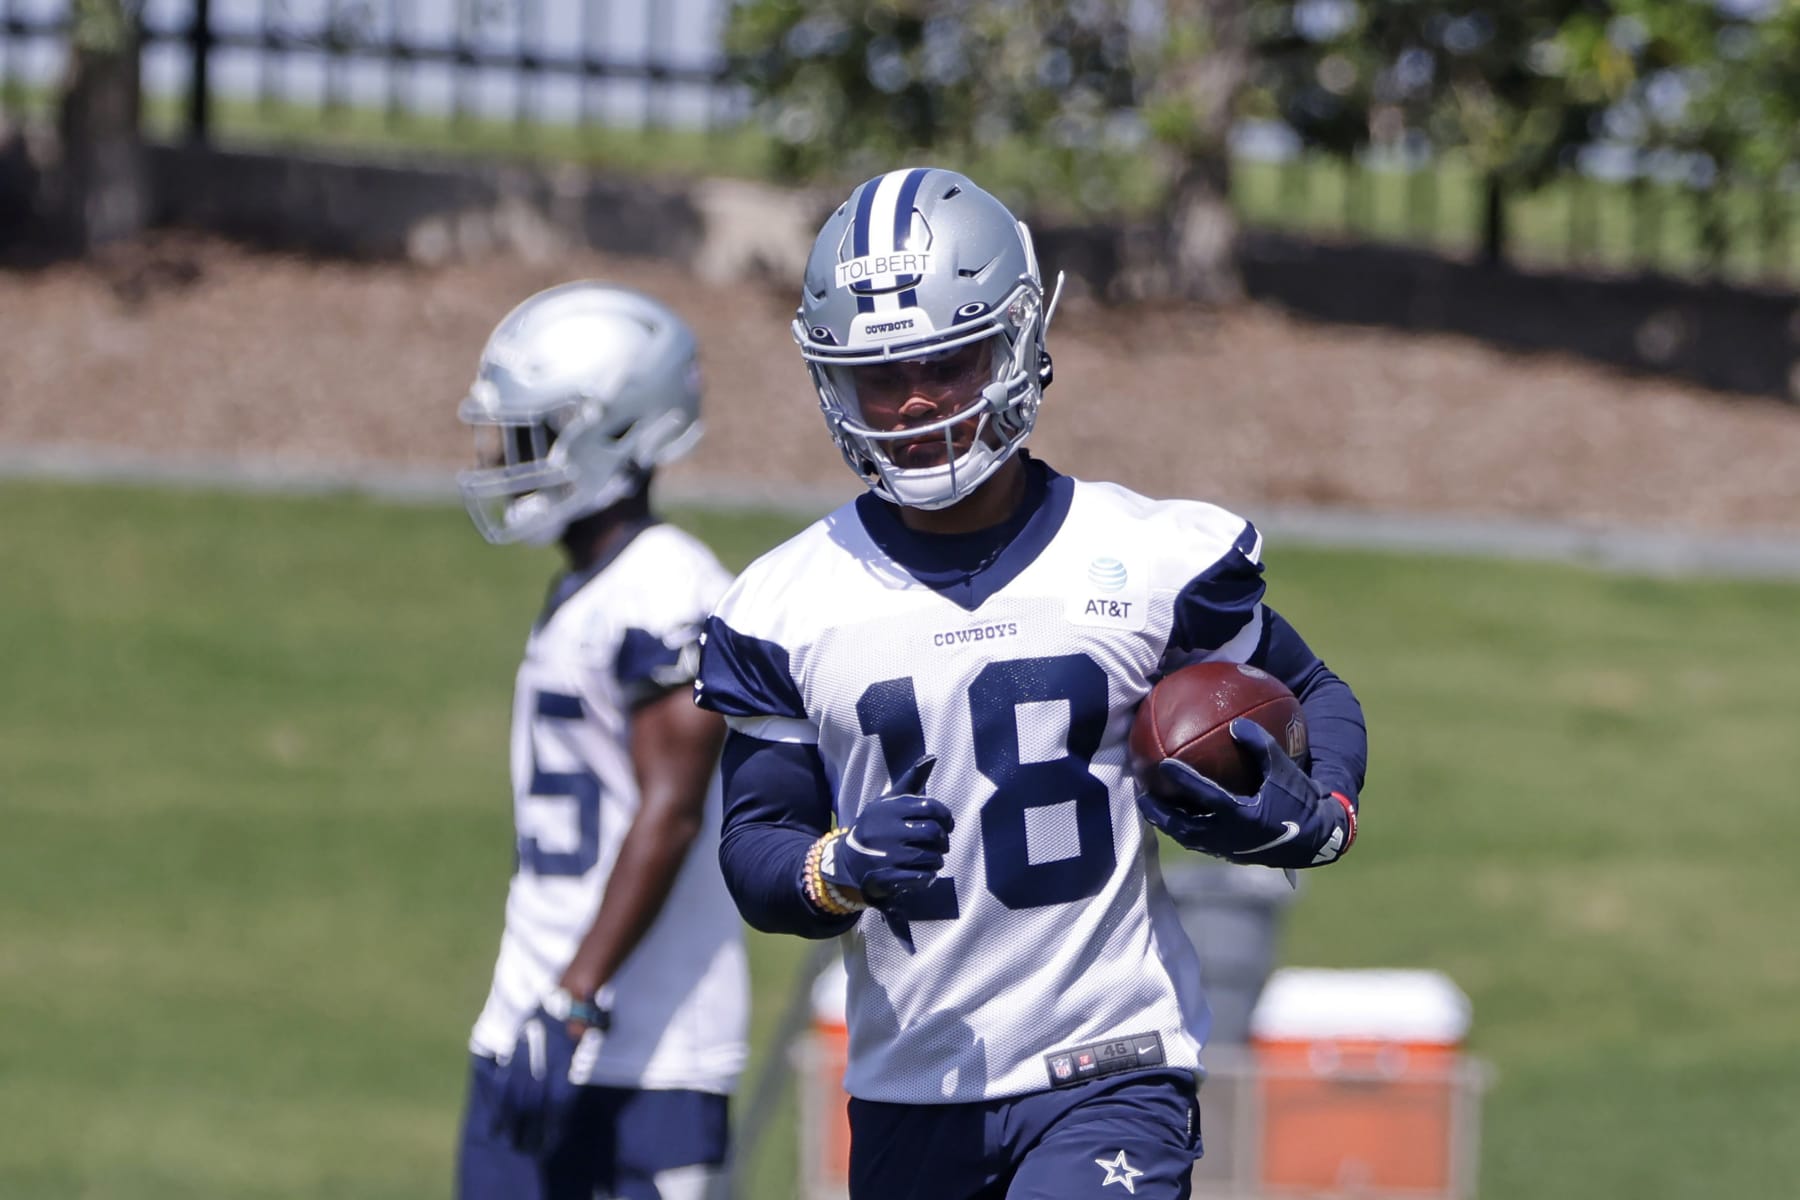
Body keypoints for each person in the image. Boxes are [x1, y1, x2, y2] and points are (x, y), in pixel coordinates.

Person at [695, 168, 1367, 1200]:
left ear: (1016, 340)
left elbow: (1315, 691)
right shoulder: (787, 604)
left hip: (1110, 1065)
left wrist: (1323, 812)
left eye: (948, 360)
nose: (915, 400)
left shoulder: (1146, 556)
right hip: (915, 1080)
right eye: (882, 375)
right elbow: (755, 846)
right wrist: (837, 867)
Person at [452, 282, 748, 1200]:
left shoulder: (668, 586)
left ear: (613, 432)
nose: (507, 455)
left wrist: (579, 996)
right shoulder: (591, 586)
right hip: (527, 1023)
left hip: (640, 1051)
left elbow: (672, 810)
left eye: (534, 431)